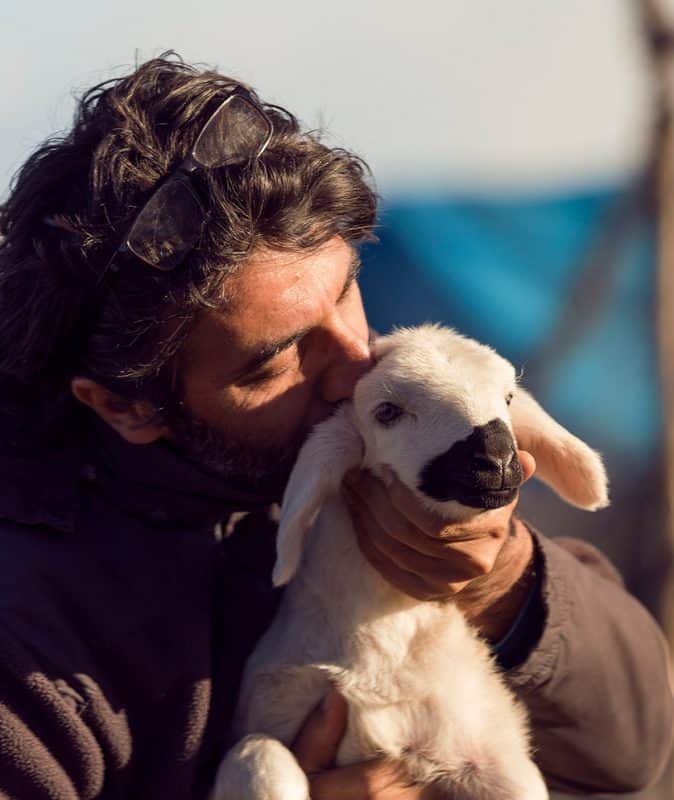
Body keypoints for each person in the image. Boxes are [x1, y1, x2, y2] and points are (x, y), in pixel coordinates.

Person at [0, 54, 670, 800]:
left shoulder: (386, 459)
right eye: (278, 358)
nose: (356, 367)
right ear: (124, 405)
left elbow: (635, 748)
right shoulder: (29, 632)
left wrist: (507, 589)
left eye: (348, 290)